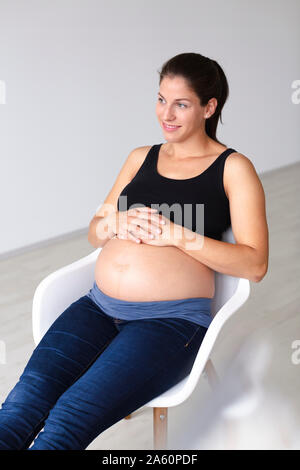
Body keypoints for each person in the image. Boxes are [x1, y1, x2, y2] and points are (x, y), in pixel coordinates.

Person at [0, 52, 269, 450]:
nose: (167, 113)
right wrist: (115, 224)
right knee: (21, 406)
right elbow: (96, 231)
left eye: (181, 104)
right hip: (97, 307)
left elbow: (256, 263)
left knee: (67, 419)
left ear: (209, 107)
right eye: (161, 99)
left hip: (169, 323)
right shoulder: (140, 156)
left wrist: (178, 235)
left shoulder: (233, 167)